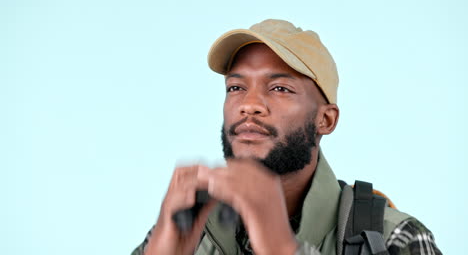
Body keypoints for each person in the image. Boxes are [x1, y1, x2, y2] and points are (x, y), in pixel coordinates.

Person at [131, 19, 441, 255]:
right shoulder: (184, 231)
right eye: (235, 88)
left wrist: (280, 246)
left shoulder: (394, 237)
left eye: (280, 88)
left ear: (326, 119)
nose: (248, 105)